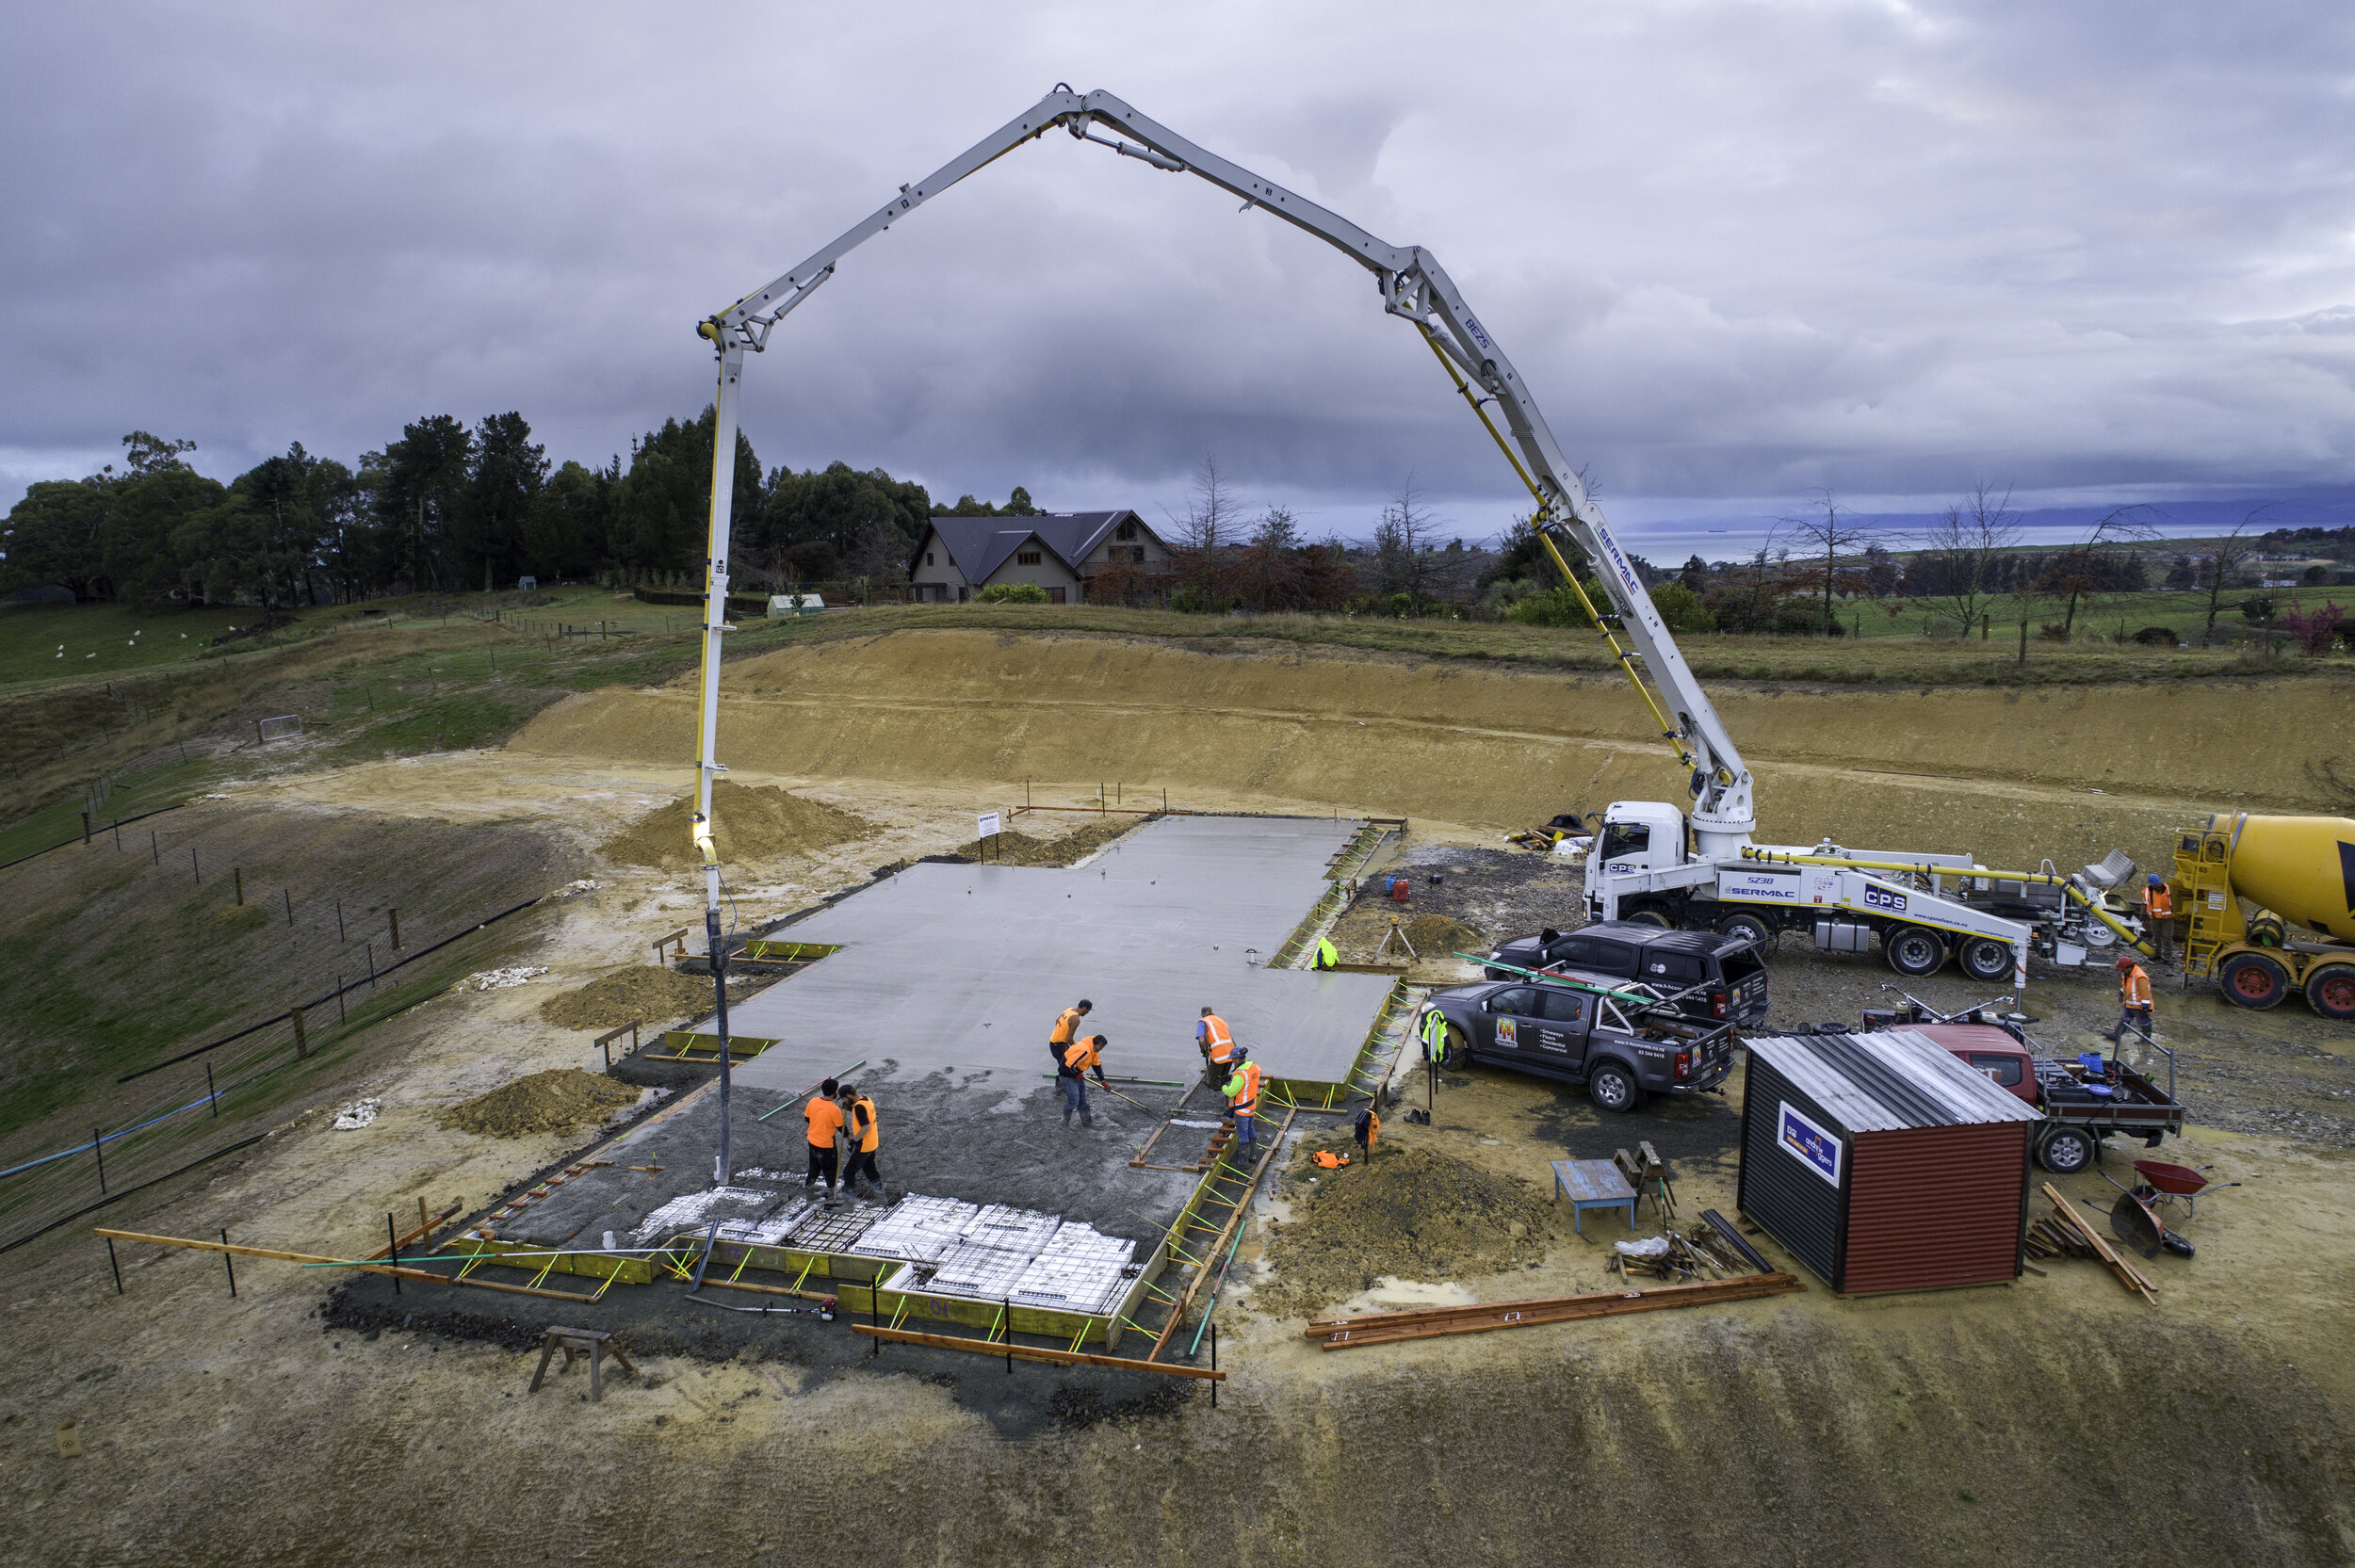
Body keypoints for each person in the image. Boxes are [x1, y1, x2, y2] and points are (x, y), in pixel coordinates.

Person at [803, 1076, 847, 1200]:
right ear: (834, 1093)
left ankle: (808, 1188)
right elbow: (841, 1128)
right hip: (826, 1145)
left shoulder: (813, 1101)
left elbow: (807, 1118)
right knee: (830, 1170)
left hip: (812, 1141)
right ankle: (832, 1193)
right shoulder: (834, 1109)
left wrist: (818, 1124)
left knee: (814, 1167)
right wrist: (849, 1139)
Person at [839, 1082, 884, 1202]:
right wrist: (850, 1109)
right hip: (872, 1142)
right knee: (870, 1169)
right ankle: (881, 1197)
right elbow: (864, 1114)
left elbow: (866, 1126)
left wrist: (853, 1141)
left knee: (848, 1172)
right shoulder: (866, 1099)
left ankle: (849, 1199)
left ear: (848, 1096)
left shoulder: (859, 1107)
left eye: (844, 1098)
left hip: (864, 1145)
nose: (844, 1101)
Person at [1059, 1032, 1110, 1127]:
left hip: (1076, 1074)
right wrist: (1077, 1073)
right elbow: (1068, 1065)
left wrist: (1103, 1081)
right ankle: (1064, 1122)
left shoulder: (1094, 1051)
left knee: (1083, 1101)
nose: (1102, 1049)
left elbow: (1097, 1066)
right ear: (1098, 1045)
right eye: (1102, 1047)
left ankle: (1087, 1122)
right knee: (1074, 1101)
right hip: (1067, 1076)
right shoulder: (1085, 1050)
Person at [1223, 1046, 1262, 1163]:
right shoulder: (1254, 1067)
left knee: (1243, 1134)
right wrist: (1232, 1077)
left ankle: (1243, 1162)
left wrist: (1223, 1085)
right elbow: (1251, 1077)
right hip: (1251, 1106)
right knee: (1250, 1128)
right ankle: (1253, 1156)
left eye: (1232, 1060)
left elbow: (1231, 1092)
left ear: (1236, 1059)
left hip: (1241, 1111)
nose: (1232, 1062)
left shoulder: (1240, 1075)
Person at [2109, 955, 2154, 1045]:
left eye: (2122, 969)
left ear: (2128, 967)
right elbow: (2126, 985)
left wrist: (2146, 1006)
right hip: (2129, 1003)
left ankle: (2146, 1039)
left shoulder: (2140, 976)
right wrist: (2122, 993)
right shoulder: (2126, 974)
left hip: (2139, 1006)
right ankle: (2116, 1035)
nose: (2121, 971)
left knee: (2143, 1022)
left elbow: (2145, 992)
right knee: (2124, 1019)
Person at [1195, 1007, 1236, 1083]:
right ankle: (1224, 1090)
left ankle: (1215, 1089)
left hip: (1218, 1056)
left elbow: (1201, 1040)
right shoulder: (1221, 1021)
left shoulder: (1203, 1022)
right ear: (1212, 1012)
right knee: (1223, 1077)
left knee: (1213, 1081)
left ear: (1202, 1014)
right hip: (1230, 1054)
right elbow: (1231, 1039)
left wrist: (1204, 1051)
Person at [1050, 999, 1094, 1068]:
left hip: (1054, 1042)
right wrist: (1078, 1048)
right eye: (1088, 1010)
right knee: (1066, 1068)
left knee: (1067, 1063)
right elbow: (1069, 1038)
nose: (1087, 1012)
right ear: (1084, 1008)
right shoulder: (1076, 1019)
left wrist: (1060, 1032)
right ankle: (1062, 1078)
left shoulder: (1069, 1009)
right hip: (1059, 1046)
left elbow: (1057, 1021)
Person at [2142, 875, 2175, 965]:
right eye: (2155, 885)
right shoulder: (2147, 891)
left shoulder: (2169, 889)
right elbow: (2144, 903)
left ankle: (2168, 956)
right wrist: (2142, 915)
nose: (2157, 886)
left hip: (2168, 919)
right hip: (2154, 918)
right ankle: (2157, 954)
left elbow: (2175, 902)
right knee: (2156, 937)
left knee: (2167, 937)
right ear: (2151, 885)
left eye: (2158, 884)